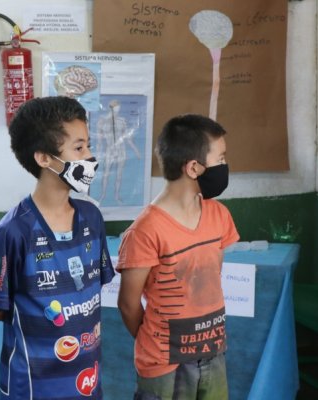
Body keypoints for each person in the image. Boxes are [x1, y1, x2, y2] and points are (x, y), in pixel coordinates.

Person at [0, 96, 115, 399]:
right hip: (34, 387)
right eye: (78, 148)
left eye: (88, 145)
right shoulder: (13, 232)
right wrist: (33, 315)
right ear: (44, 158)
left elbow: (90, 290)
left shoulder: (91, 217)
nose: (89, 157)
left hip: (87, 380)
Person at [117, 114, 239, 400]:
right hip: (163, 365)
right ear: (194, 167)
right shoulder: (145, 231)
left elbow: (211, 278)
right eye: (220, 158)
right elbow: (127, 304)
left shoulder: (219, 216)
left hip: (213, 353)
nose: (224, 167)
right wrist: (159, 344)